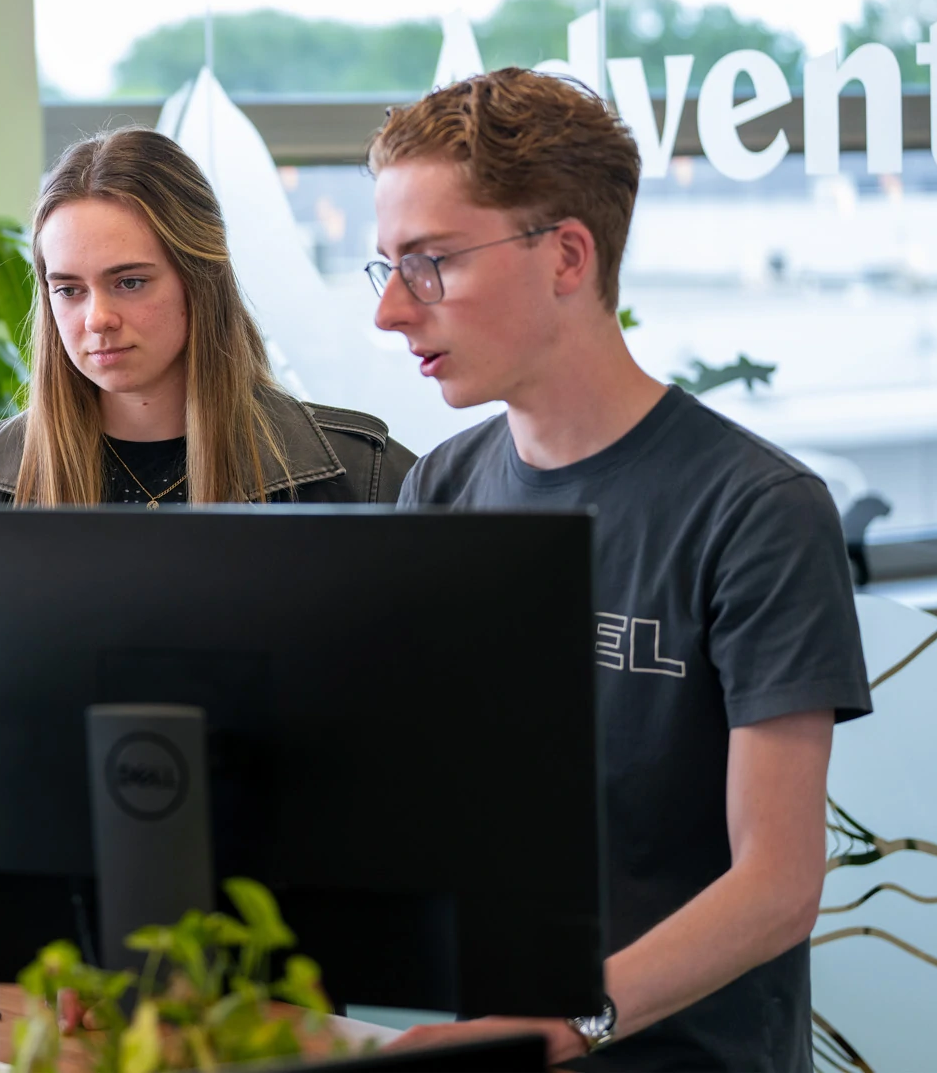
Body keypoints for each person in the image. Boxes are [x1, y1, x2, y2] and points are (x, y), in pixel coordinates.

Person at [368, 69, 870, 1071]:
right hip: (490, 1038)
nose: (389, 309)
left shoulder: (755, 509)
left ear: (564, 255)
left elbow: (776, 883)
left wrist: (565, 1024)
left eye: (427, 264)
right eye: (381, 266)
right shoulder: (440, 488)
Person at [0, 126, 413, 507]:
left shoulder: (359, 476)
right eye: (68, 289)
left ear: (200, 279)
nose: (97, 318)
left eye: (129, 282)